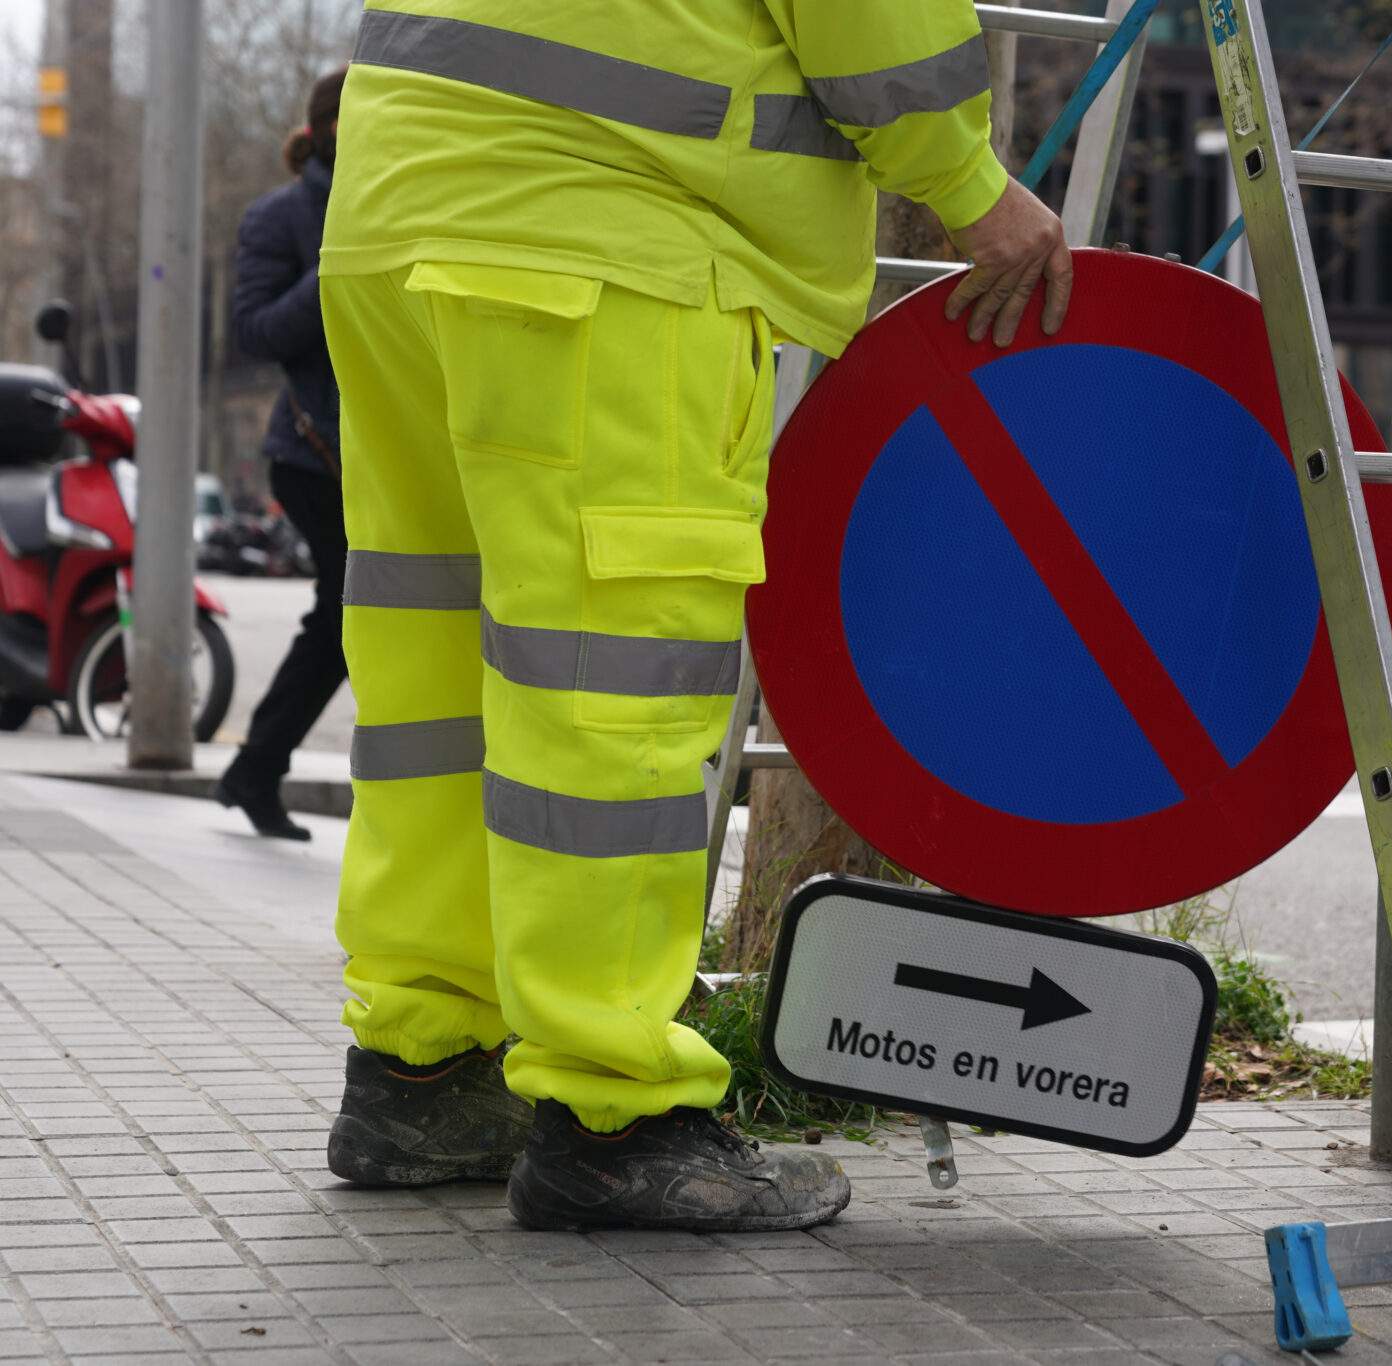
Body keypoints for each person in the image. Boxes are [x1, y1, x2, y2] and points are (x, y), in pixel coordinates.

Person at [319, 3, 1072, 1232]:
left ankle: (424, 1068)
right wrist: (967, 182)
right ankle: (614, 1113)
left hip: (398, 216)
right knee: (608, 704)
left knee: (438, 682)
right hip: (607, 243)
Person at [214, 70, 352, 842]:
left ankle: (254, 771)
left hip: (382, 450)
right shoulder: (282, 217)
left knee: (343, 618)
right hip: (311, 455)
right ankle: (255, 769)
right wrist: (335, 265)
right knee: (345, 615)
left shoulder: (395, 203)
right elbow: (257, 331)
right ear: (330, 128)